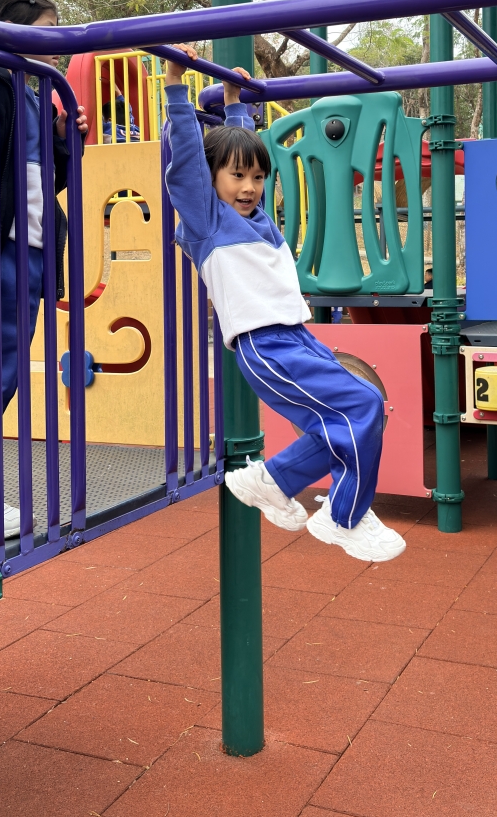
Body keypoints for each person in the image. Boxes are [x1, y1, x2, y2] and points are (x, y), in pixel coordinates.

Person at [163, 59, 404, 562]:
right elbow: (187, 164)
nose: (249, 187)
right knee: (361, 404)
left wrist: (235, 102)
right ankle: (344, 516)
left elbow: (243, 149)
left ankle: (273, 481)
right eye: (236, 177)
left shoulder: (259, 220)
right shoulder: (207, 222)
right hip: (265, 344)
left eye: (257, 177)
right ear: (211, 180)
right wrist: (175, 87)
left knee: (350, 416)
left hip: (295, 337)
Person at [0, 0, 87, 542]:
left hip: (34, 251)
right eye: (46, 32)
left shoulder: (38, 92)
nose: (57, 43)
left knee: (5, 379)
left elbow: (44, 181)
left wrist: (64, 139)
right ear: (11, 31)